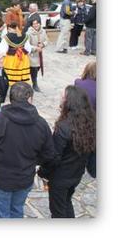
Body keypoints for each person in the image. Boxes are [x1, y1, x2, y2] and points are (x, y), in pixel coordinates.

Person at [0, 82, 55, 218]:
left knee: (0, 216)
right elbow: (48, 154)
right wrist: (33, 162)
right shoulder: (41, 124)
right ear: (30, 99)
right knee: (16, 212)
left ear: (11, 99)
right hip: (23, 179)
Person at [38, 86, 96, 218]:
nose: (61, 99)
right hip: (76, 175)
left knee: (58, 211)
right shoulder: (90, 123)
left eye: (63, 97)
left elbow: (54, 157)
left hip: (60, 179)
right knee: (66, 202)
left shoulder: (64, 128)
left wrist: (42, 172)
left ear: (69, 102)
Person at [0, 7, 33, 86]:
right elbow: (28, 49)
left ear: (10, 28)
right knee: (21, 72)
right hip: (22, 58)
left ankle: (11, 85)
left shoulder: (7, 37)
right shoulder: (24, 36)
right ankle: (22, 85)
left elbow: (1, 50)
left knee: (10, 73)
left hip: (11, 58)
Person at [26, 19, 48, 92]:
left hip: (39, 55)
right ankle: (34, 84)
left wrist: (43, 44)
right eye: (34, 24)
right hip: (32, 55)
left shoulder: (43, 31)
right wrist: (35, 48)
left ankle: (33, 81)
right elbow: (27, 44)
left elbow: (46, 40)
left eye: (37, 23)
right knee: (33, 69)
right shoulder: (28, 33)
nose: (36, 25)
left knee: (37, 68)